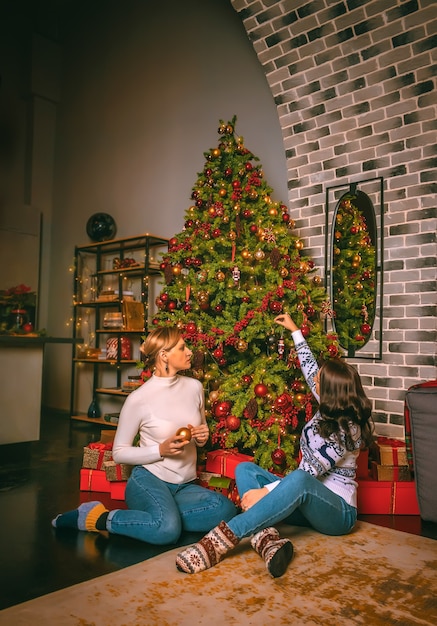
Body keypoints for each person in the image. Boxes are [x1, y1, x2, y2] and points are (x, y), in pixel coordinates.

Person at [175, 313, 374, 577]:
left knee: (299, 479)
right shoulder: (329, 401)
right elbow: (310, 367)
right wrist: (294, 330)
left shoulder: (347, 430)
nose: (314, 380)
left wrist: (265, 492)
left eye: (319, 380)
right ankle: (268, 542)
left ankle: (221, 540)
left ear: (329, 390)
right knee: (246, 471)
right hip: (306, 503)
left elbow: (308, 476)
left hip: (337, 514)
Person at [52, 327, 237, 544]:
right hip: (149, 480)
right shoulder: (139, 399)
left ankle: (161, 519)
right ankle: (95, 517)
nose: (190, 352)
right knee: (166, 531)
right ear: (164, 355)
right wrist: (160, 450)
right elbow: (119, 453)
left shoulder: (194, 387)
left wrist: (201, 436)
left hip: (185, 485)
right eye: (182, 347)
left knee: (225, 510)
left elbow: (198, 436)